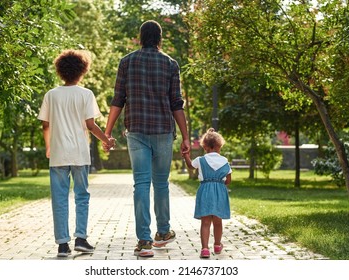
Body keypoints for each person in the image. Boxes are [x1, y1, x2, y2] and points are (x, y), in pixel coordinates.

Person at [103, 20, 190, 257]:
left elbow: (117, 99)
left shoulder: (127, 62)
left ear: (140, 37)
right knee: (161, 183)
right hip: (163, 131)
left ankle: (144, 241)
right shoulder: (170, 64)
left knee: (141, 184)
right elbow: (177, 104)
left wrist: (107, 132)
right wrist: (186, 137)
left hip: (137, 131)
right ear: (160, 38)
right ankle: (163, 232)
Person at [38, 49, 114, 257]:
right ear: (82, 71)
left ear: (60, 71)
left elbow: (46, 125)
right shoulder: (86, 94)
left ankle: (63, 245)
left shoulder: (51, 95)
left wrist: (48, 147)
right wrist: (107, 140)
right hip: (80, 154)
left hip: (59, 155)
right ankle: (81, 238)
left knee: (59, 199)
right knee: (82, 196)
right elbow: (90, 125)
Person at [182, 128, 232, 258]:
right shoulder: (225, 161)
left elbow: (191, 166)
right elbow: (228, 180)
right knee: (217, 221)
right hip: (220, 192)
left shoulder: (200, 160)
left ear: (205, 147)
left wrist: (186, 156)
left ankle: (205, 249)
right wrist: (219, 184)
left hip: (205, 191)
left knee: (205, 222)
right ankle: (217, 244)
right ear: (219, 146)